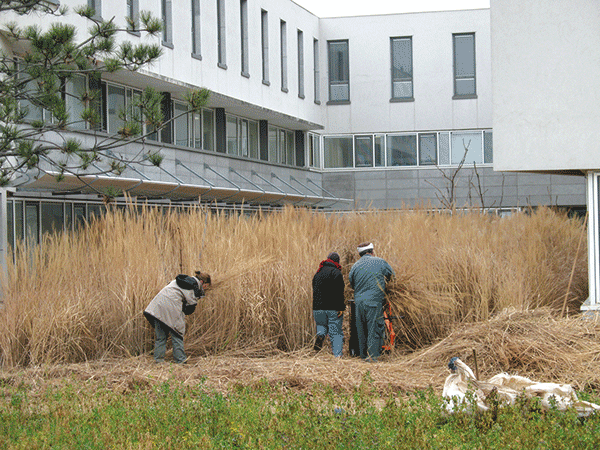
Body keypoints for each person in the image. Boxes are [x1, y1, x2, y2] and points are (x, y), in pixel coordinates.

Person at [144, 271, 211, 364]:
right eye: (206, 286)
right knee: (177, 334)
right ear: (202, 282)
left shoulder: (181, 280)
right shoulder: (194, 286)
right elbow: (190, 308)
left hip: (156, 306)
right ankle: (181, 360)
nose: (205, 289)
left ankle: (158, 361)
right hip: (170, 307)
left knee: (161, 336)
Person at [348, 242, 395, 361]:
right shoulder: (380, 262)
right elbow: (392, 276)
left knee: (361, 328)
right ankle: (372, 358)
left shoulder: (355, 266)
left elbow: (352, 283)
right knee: (373, 328)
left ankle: (363, 356)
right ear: (372, 251)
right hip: (374, 302)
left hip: (358, 303)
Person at [312, 251, 345, 357]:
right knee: (335, 333)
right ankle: (337, 356)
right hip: (332, 308)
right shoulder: (336, 273)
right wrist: (341, 307)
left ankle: (320, 335)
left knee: (321, 326)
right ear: (337, 262)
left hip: (318, 308)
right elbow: (339, 292)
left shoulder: (318, 273)